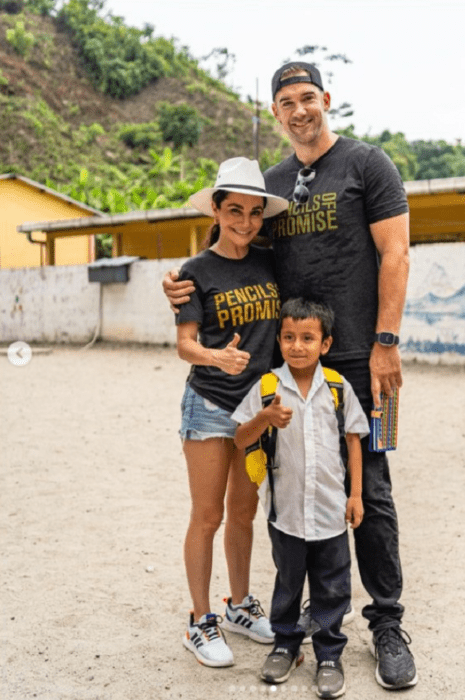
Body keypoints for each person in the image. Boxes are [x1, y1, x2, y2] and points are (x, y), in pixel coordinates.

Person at [163, 62, 417, 689]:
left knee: (372, 486)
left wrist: (386, 342)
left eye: (308, 98)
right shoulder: (271, 186)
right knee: (291, 486)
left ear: (326, 100)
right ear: (275, 113)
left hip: (359, 357)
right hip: (287, 364)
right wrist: (180, 283)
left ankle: (386, 623)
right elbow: (228, 245)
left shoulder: (367, 165)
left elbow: (396, 252)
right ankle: (298, 611)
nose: (299, 110)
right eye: (286, 102)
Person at [175, 157, 289, 668]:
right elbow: (184, 344)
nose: (245, 222)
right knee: (208, 515)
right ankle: (200, 622)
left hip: (256, 410)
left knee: (244, 512)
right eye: (235, 210)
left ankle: (239, 606)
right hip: (209, 406)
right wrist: (215, 355)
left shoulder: (270, 262)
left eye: (255, 213)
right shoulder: (195, 272)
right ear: (216, 211)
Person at [232, 299, 369, 699]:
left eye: (308, 338)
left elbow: (353, 442)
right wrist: (264, 419)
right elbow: (241, 438)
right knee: (288, 582)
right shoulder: (268, 388)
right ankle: (285, 646)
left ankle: (329, 655)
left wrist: (356, 495)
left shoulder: (339, 389)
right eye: (289, 337)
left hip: (329, 512)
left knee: (331, 587)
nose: (297, 346)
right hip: (286, 513)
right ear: (279, 341)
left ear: (325, 344)